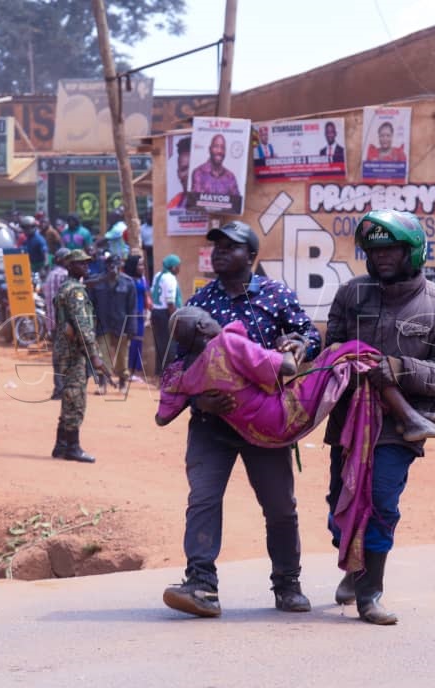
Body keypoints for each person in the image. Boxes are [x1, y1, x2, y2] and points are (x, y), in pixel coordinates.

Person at [162, 221, 321, 619]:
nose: (217, 253)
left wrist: (299, 344)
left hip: (264, 422)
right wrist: (200, 401)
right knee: (202, 499)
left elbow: (309, 335)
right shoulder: (200, 302)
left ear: (251, 256)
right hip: (211, 423)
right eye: (215, 247)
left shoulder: (275, 294)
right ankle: (201, 584)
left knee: (280, 506)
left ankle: (287, 584)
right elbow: (177, 366)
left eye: (228, 247)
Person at [324, 209, 435, 625]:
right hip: (349, 420)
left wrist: (401, 369)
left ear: (412, 251)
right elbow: (330, 349)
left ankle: (370, 594)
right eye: (374, 250)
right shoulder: (350, 294)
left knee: (382, 503)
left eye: (390, 249)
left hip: (401, 425)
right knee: (340, 504)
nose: (381, 257)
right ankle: (354, 565)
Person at [158, 307, 435, 443]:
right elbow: (287, 367)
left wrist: (199, 399)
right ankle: (412, 419)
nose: (215, 321)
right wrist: (287, 345)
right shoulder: (226, 343)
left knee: (353, 362)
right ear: (200, 327)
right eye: (209, 318)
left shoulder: (179, 375)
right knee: (350, 349)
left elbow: (162, 418)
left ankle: (410, 416)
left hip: (258, 435)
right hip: (280, 412)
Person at [51, 249, 113, 464]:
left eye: (87, 264)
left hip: (65, 349)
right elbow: (83, 324)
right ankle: (73, 447)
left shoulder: (65, 288)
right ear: (70, 266)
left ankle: (61, 445)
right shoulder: (75, 291)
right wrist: (95, 355)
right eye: (81, 264)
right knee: (75, 397)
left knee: (69, 395)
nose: (86, 267)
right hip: (74, 351)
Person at [89, 254, 137, 393]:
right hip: (102, 324)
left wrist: (132, 328)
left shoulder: (128, 283)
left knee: (122, 356)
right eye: (110, 265)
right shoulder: (97, 282)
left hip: (121, 324)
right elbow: (90, 305)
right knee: (102, 354)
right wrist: (90, 326)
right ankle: (102, 383)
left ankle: (122, 382)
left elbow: (132, 308)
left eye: (116, 265)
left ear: (120, 267)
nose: (113, 269)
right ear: (106, 266)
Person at [44, 248, 71, 400]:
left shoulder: (50, 275)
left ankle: (59, 389)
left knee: (58, 358)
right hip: (65, 323)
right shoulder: (64, 276)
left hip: (53, 324)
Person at [150, 254, 182, 376]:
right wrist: (176, 319)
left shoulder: (158, 275)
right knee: (170, 345)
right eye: (178, 266)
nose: (180, 269)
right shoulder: (170, 278)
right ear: (173, 267)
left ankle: (159, 372)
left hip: (156, 312)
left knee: (160, 344)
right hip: (166, 314)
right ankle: (168, 373)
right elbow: (170, 303)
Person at [124, 255, 151, 382]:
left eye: (143, 264)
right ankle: (128, 371)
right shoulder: (128, 281)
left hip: (141, 314)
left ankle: (135, 371)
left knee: (138, 343)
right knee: (132, 343)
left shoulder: (142, 279)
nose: (142, 267)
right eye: (139, 265)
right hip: (131, 315)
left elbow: (146, 294)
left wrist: (147, 310)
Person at [168, 137, 191, 209]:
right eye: (184, 169)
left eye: (193, 167)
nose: (189, 174)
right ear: (178, 173)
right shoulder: (172, 206)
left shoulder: (216, 204)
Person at [139, 211, 154, 281]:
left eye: (150, 215)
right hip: (146, 252)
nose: (149, 217)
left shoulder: (158, 227)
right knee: (148, 269)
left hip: (156, 251)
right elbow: (140, 241)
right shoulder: (142, 228)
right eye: (147, 216)